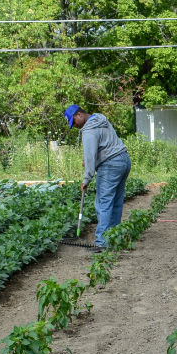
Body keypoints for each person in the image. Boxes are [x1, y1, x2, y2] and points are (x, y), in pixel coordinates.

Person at [65, 104, 132, 252]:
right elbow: (105, 145)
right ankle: (114, 239)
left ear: (79, 115)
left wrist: (86, 180)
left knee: (103, 203)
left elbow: (90, 158)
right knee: (116, 202)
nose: (75, 126)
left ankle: (102, 242)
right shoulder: (101, 120)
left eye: (73, 122)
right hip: (124, 160)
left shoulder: (89, 131)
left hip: (110, 166)